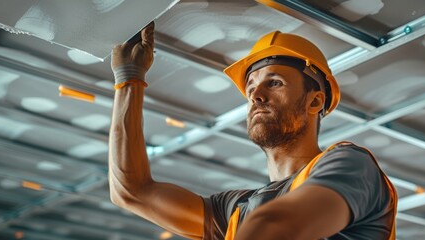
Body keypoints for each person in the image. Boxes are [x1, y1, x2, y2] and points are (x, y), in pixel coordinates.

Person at [109, 22, 397, 240]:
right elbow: (132, 192)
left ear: (315, 100)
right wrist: (129, 79)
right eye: (251, 88)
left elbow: (276, 226)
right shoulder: (237, 209)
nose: (256, 95)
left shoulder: (351, 165)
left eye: (274, 83)